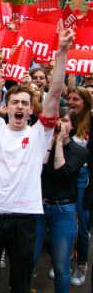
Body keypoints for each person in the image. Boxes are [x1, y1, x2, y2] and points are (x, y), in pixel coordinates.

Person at [0, 21, 74, 293]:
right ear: (6, 107)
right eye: (15, 102)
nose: (20, 106)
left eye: (25, 103)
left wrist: (61, 52)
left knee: (21, 283)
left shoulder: (40, 133)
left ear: (30, 110)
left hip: (24, 221)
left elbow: (57, 93)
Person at [32, 107, 88, 293]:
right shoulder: (42, 144)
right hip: (39, 208)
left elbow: (61, 170)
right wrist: (52, 142)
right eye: (57, 120)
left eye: (64, 120)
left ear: (72, 126)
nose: (59, 124)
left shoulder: (79, 152)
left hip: (63, 212)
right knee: (29, 259)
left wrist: (58, 145)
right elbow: (39, 167)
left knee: (61, 266)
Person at [66, 86, 93, 286]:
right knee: (65, 222)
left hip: (85, 177)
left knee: (82, 225)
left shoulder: (91, 122)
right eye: (70, 98)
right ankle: (64, 261)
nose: (72, 102)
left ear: (85, 102)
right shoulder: (66, 119)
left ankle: (82, 264)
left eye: (76, 99)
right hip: (65, 174)